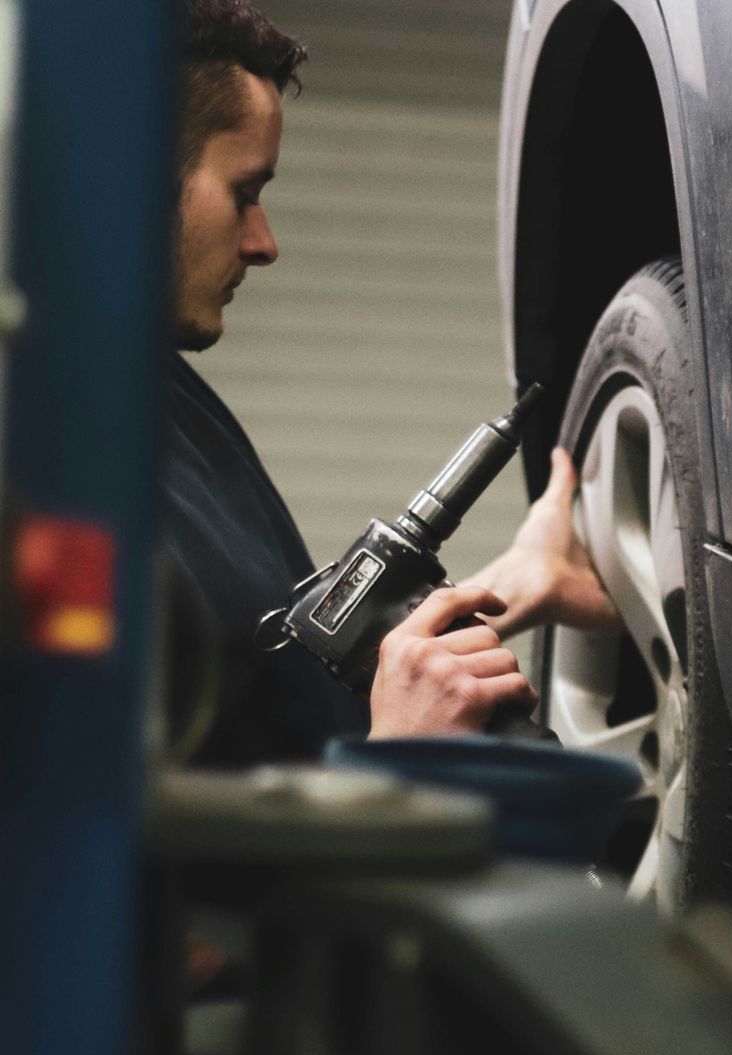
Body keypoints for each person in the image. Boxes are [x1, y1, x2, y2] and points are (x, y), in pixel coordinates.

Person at [162, 0, 614, 764]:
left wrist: (516, 581)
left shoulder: (163, 399)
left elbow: (272, 695)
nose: (263, 242)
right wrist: (400, 754)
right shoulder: (39, 457)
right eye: (245, 191)